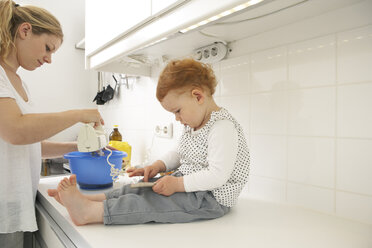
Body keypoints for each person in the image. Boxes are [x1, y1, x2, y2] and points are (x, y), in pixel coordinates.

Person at [48, 58, 250, 226]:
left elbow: (217, 176)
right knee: (143, 186)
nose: (177, 119)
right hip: (190, 186)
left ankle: (90, 212)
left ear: (198, 96)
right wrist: (156, 166)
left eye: (177, 111)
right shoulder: (194, 125)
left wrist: (177, 184)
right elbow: (179, 153)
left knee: (151, 204)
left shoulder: (222, 127)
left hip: (209, 198)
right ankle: (89, 200)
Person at [0, 0, 104, 246]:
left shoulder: (17, 82)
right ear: (25, 31)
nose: (48, 59)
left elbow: (28, 143)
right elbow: (16, 130)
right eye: (47, 48)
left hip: (15, 203)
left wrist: (76, 148)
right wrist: (77, 114)